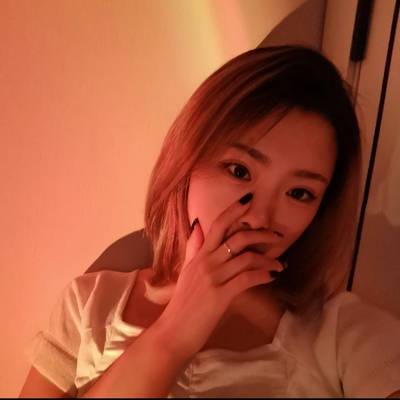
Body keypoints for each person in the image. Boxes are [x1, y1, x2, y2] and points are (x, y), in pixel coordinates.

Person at [19, 45, 400, 398]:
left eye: (299, 193)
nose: (259, 217)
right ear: (187, 158)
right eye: (239, 170)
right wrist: (174, 333)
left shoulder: (344, 333)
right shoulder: (88, 304)